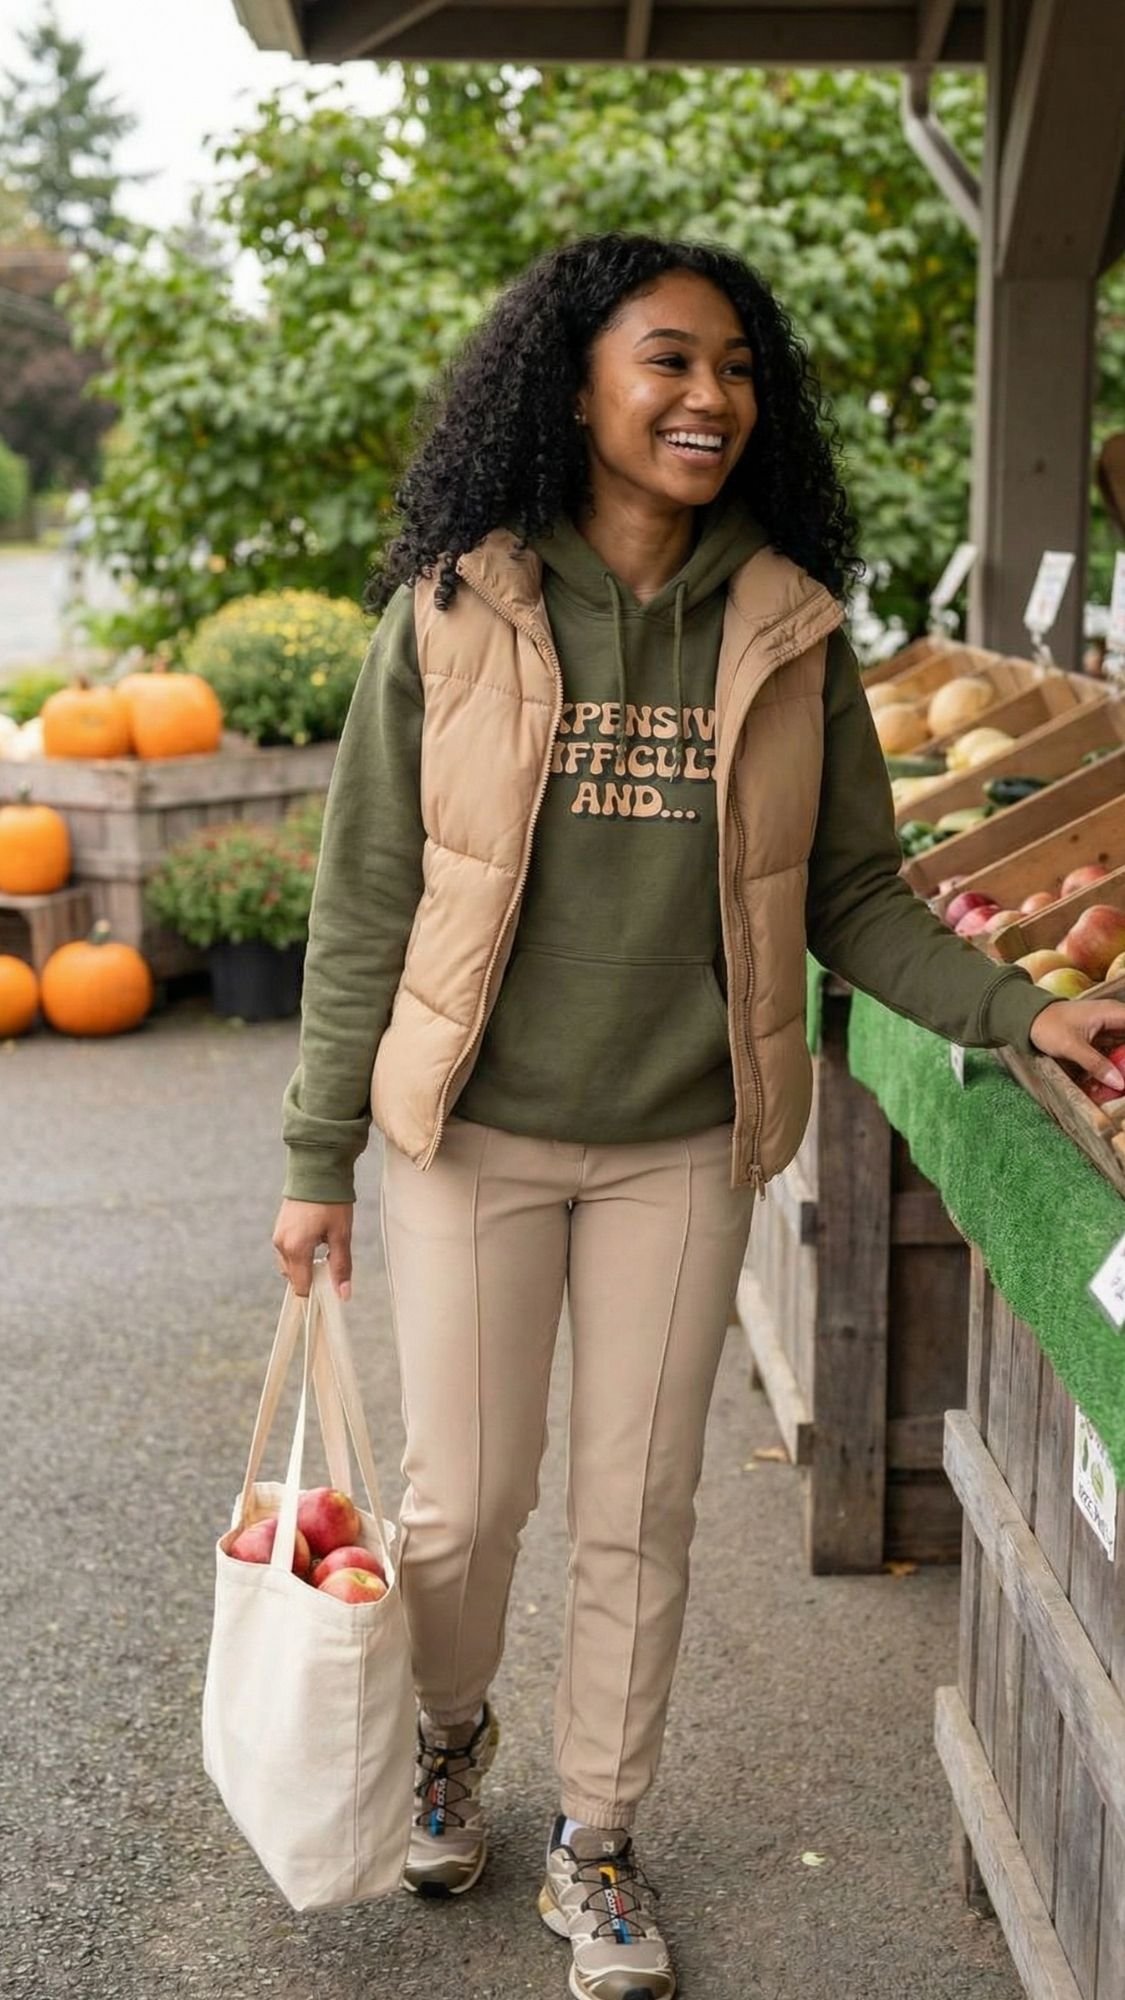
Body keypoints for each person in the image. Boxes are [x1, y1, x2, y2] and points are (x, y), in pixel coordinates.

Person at [272, 232, 1125, 2000]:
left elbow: (865, 897)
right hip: (472, 1134)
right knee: (458, 1508)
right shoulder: (453, 609)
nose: (707, 398)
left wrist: (1034, 1002)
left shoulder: (790, 629)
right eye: (666, 361)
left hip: (681, 1138)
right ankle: (449, 1734)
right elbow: (365, 898)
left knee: (634, 1507)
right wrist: (313, 1157)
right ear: (570, 383)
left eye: (735, 368)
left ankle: (596, 1841)